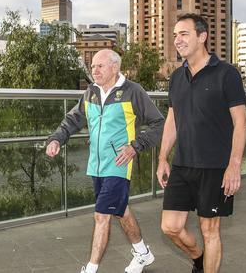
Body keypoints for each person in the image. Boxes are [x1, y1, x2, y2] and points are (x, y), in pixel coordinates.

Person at [46, 49, 164, 273]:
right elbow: (73, 119)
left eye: (100, 66)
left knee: (101, 215)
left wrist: (135, 146)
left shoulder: (132, 91)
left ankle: (90, 269)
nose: (94, 70)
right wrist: (56, 139)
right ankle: (142, 253)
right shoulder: (91, 92)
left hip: (119, 164)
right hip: (97, 165)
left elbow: (159, 123)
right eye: (92, 67)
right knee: (120, 211)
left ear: (115, 67)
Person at [156, 13, 246, 273]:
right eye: (174, 35)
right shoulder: (176, 77)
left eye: (183, 34)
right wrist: (163, 157)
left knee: (210, 229)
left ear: (202, 36)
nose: (177, 40)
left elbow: (241, 122)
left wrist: (234, 166)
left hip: (215, 165)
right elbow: (173, 119)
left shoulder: (226, 73)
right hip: (183, 164)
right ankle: (199, 259)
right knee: (170, 227)